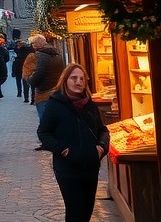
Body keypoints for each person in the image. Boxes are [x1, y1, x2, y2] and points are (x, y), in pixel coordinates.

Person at [38, 63, 110, 222]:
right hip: (67, 168)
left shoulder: (89, 104)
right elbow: (43, 132)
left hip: (90, 166)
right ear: (65, 80)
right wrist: (63, 150)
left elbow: (102, 130)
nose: (78, 82)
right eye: (74, 78)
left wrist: (101, 148)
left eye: (82, 79)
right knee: (75, 211)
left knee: (86, 211)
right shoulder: (55, 104)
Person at [28, 35, 64, 129]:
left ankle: (47, 140)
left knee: (44, 119)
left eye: (33, 44)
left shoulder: (41, 55)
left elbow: (39, 73)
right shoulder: (56, 53)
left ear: (37, 44)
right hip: (56, 90)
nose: (32, 46)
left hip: (44, 91)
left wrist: (30, 80)